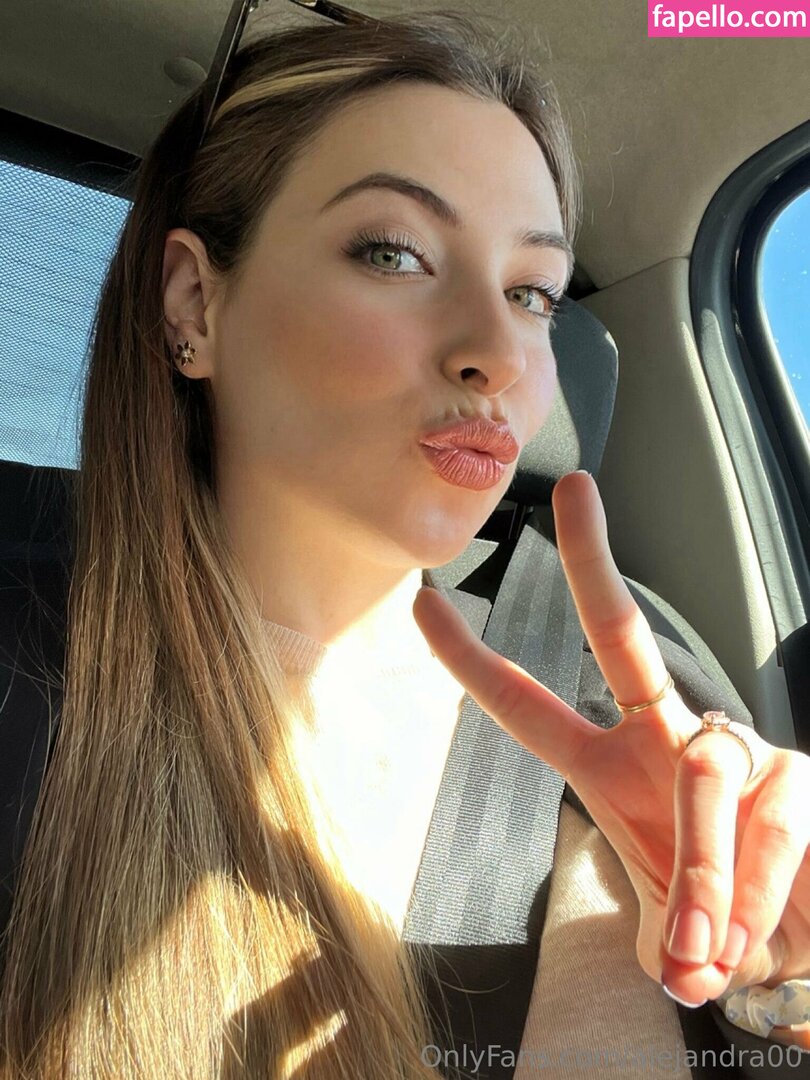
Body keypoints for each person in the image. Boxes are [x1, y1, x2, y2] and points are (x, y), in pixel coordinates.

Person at [0, 9, 807, 1079]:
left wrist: (780, 978)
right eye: (396, 253)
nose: (498, 353)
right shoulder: (27, 690)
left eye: (533, 293)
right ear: (194, 303)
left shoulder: (643, 676)